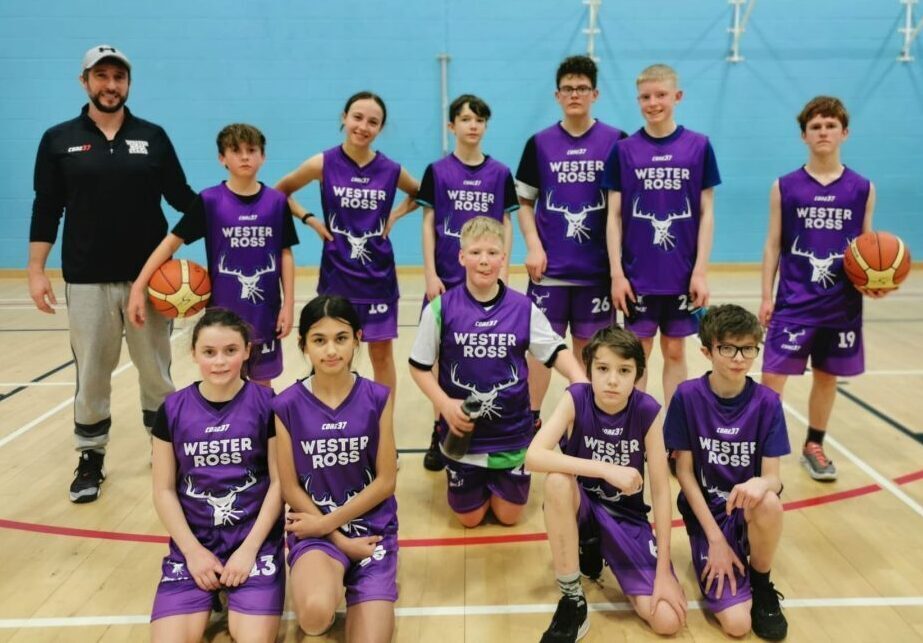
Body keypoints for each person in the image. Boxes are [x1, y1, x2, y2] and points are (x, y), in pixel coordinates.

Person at [27, 44, 196, 503]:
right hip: (86, 279)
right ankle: (90, 456)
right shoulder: (58, 139)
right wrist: (37, 269)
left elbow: (185, 200)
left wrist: (238, 208)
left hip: (152, 281)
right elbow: (47, 207)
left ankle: (165, 453)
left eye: (118, 77)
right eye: (101, 76)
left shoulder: (152, 137)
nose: (110, 85)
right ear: (84, 82)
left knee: (156, 373)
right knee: (93, 375)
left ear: (128, 84)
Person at [409, 216, 586, 528]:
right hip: (463, 435)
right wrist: (446, 405)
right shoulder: (440, 309)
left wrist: (578, 378)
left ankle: (503, 480)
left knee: (508, 517)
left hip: (512, 433)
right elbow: (419, 367)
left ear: (504, 258)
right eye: (476, 252)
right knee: (469, 519)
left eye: (492, 253)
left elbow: (555, 350)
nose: (484, 261)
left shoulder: (523, 307)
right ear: (462, 257)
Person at [526, 326, 686, 641]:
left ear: (638, 374)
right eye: (602, 369)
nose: (612, 379)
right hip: (582, 506)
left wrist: (665, 570)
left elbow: (663, 492)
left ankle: (597, 548)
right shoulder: (576, 398)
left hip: (627, 518)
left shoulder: (647, 410)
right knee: (557, 482)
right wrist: (605, 469)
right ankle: (572, 598)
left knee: (667, 621)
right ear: (589, 371)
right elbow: (533, 456)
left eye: (624, 370)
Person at [759, 96, 881, 482]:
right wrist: (766, 295)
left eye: (830, 125)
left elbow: (866, 249)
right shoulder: (785, 186)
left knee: (827, 377)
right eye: (816, 127)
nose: (823, 132)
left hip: (842, 305)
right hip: (794, 302)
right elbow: (773, 243)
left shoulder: (862, 188)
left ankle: (814, 445)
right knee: (772, 378)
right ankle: (761, 447)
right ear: (804, 136)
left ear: (844, 133)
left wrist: (874, 283)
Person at [128, 123, 298, 386]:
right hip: (221, 314)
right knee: (224, 382)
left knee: (263, 387)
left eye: (251, 150)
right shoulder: (210, 201)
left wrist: (288, 305)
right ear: (222, 158)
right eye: (235, 150)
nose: (244, 156)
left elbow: (285, 254)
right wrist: (139, 286)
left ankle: (263, 429)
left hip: (265, 313)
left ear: (262, 156)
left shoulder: (276, 202)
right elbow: (170, 244)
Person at [150, 308, 283, 643]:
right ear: (194, 353)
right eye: (209, 352)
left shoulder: (267, 403)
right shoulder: (172, 409)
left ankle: (235, 590)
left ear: (247, 351)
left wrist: (249, 549)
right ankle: (210, 587)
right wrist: (193, 553)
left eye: (230, 351)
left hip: (252, 544)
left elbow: (279, 483)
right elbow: (164, 490)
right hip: (194, 545)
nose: (220, 361)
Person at [276, 91, 419, 400]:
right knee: (331, 356)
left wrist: (395, 215)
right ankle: (329, 418)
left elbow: (422, 194)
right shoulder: (324, 162)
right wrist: (310, 218)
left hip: (378, 276)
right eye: (357, 117)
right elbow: (280, 192)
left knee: (381, 357)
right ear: (344, 117)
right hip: (336, 274)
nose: (363, 126)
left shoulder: (390, 169)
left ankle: (383, 429)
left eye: (373, 122)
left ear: (380, 128)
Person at [273, 296, 398, 642]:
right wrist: (338, 539)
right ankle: (327, 583)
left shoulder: (378, 397)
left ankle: (369, 585)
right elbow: (291, 488)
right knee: (313, 618)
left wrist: (333, 526)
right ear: (303, 345)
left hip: (369, 531)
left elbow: (386, 481)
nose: (331, 350)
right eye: (319, 340)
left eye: (341, 338)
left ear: (357, 339)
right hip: (313, 531)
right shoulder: (285, 404)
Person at [664, 305, 789, 640]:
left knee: (769, 502)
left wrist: (759, 483)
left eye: (748, 349)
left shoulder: (767, 402)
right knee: (736, 625)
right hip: (708, 515)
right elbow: (685, 474)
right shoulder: (687, 396)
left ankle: (761, 584)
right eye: (728, 348)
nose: (739, 358)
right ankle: (712, 549)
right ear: (707, 351)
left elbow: (773, 478)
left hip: (745, 511)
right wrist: (716, 539)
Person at [514, 55, 625, 430]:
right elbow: (523, 203)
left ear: (594, 93)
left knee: (590, 353)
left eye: (581, 88)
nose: (574, 94)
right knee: (539, 352)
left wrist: (618, 269)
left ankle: (586, 422)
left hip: (596, 274)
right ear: (557, 95)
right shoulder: (539, 143)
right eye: (567, 89)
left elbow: (621, 211)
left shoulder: (616, 141)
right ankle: (529, 420)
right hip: (550, 271)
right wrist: (533, 245)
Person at [603, 63, 720, 409]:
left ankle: (675, 428)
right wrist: (617, 274)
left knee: (674, 349)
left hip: (682, 273)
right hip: (638, 275)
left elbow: (707, 213)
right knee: (637, 352)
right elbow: (613, 217)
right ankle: (634, 426)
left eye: (661, 95)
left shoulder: (698, 146)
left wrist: (700, 271)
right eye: (645, 97)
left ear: (677, 97)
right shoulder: (624, 150)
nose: (653, 103)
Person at [417, 93, 519, 472]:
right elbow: (428, 222)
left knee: (483, 354)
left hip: (488, 282)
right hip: (446, 279)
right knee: (440, 359)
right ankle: (439, 428)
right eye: (464, 119)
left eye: (479, 119)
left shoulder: (500, 173)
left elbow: (507, 223)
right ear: (452, 126)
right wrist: (429, 272)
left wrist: (505, 269)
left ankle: (489, 428)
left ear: (485, 126)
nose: (472, 125)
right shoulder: (437, 171)